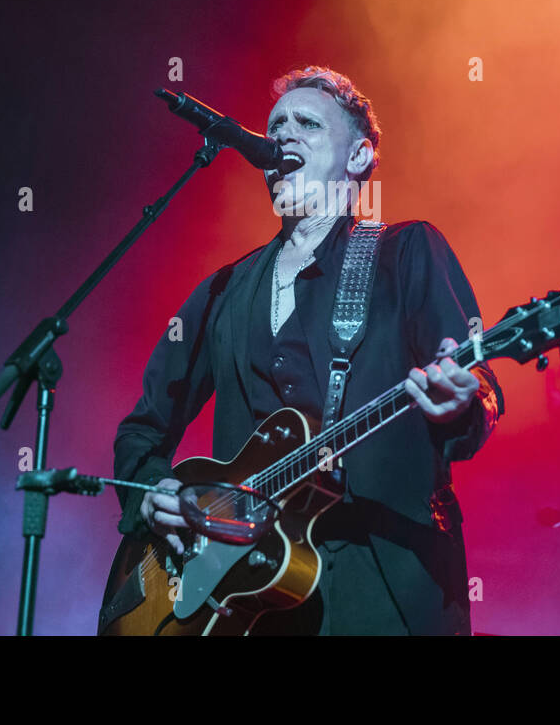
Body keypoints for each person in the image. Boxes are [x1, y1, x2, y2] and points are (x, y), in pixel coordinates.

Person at [109, 65, 503, 634]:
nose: (282, 136)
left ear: (359, 158)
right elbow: (142, 430)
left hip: (385, 586)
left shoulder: (405, 253)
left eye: (308, 124)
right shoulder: (222, 291)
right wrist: (153, 493)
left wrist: (463, 401)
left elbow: (479, 387)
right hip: (247, 600)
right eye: (275, 126)